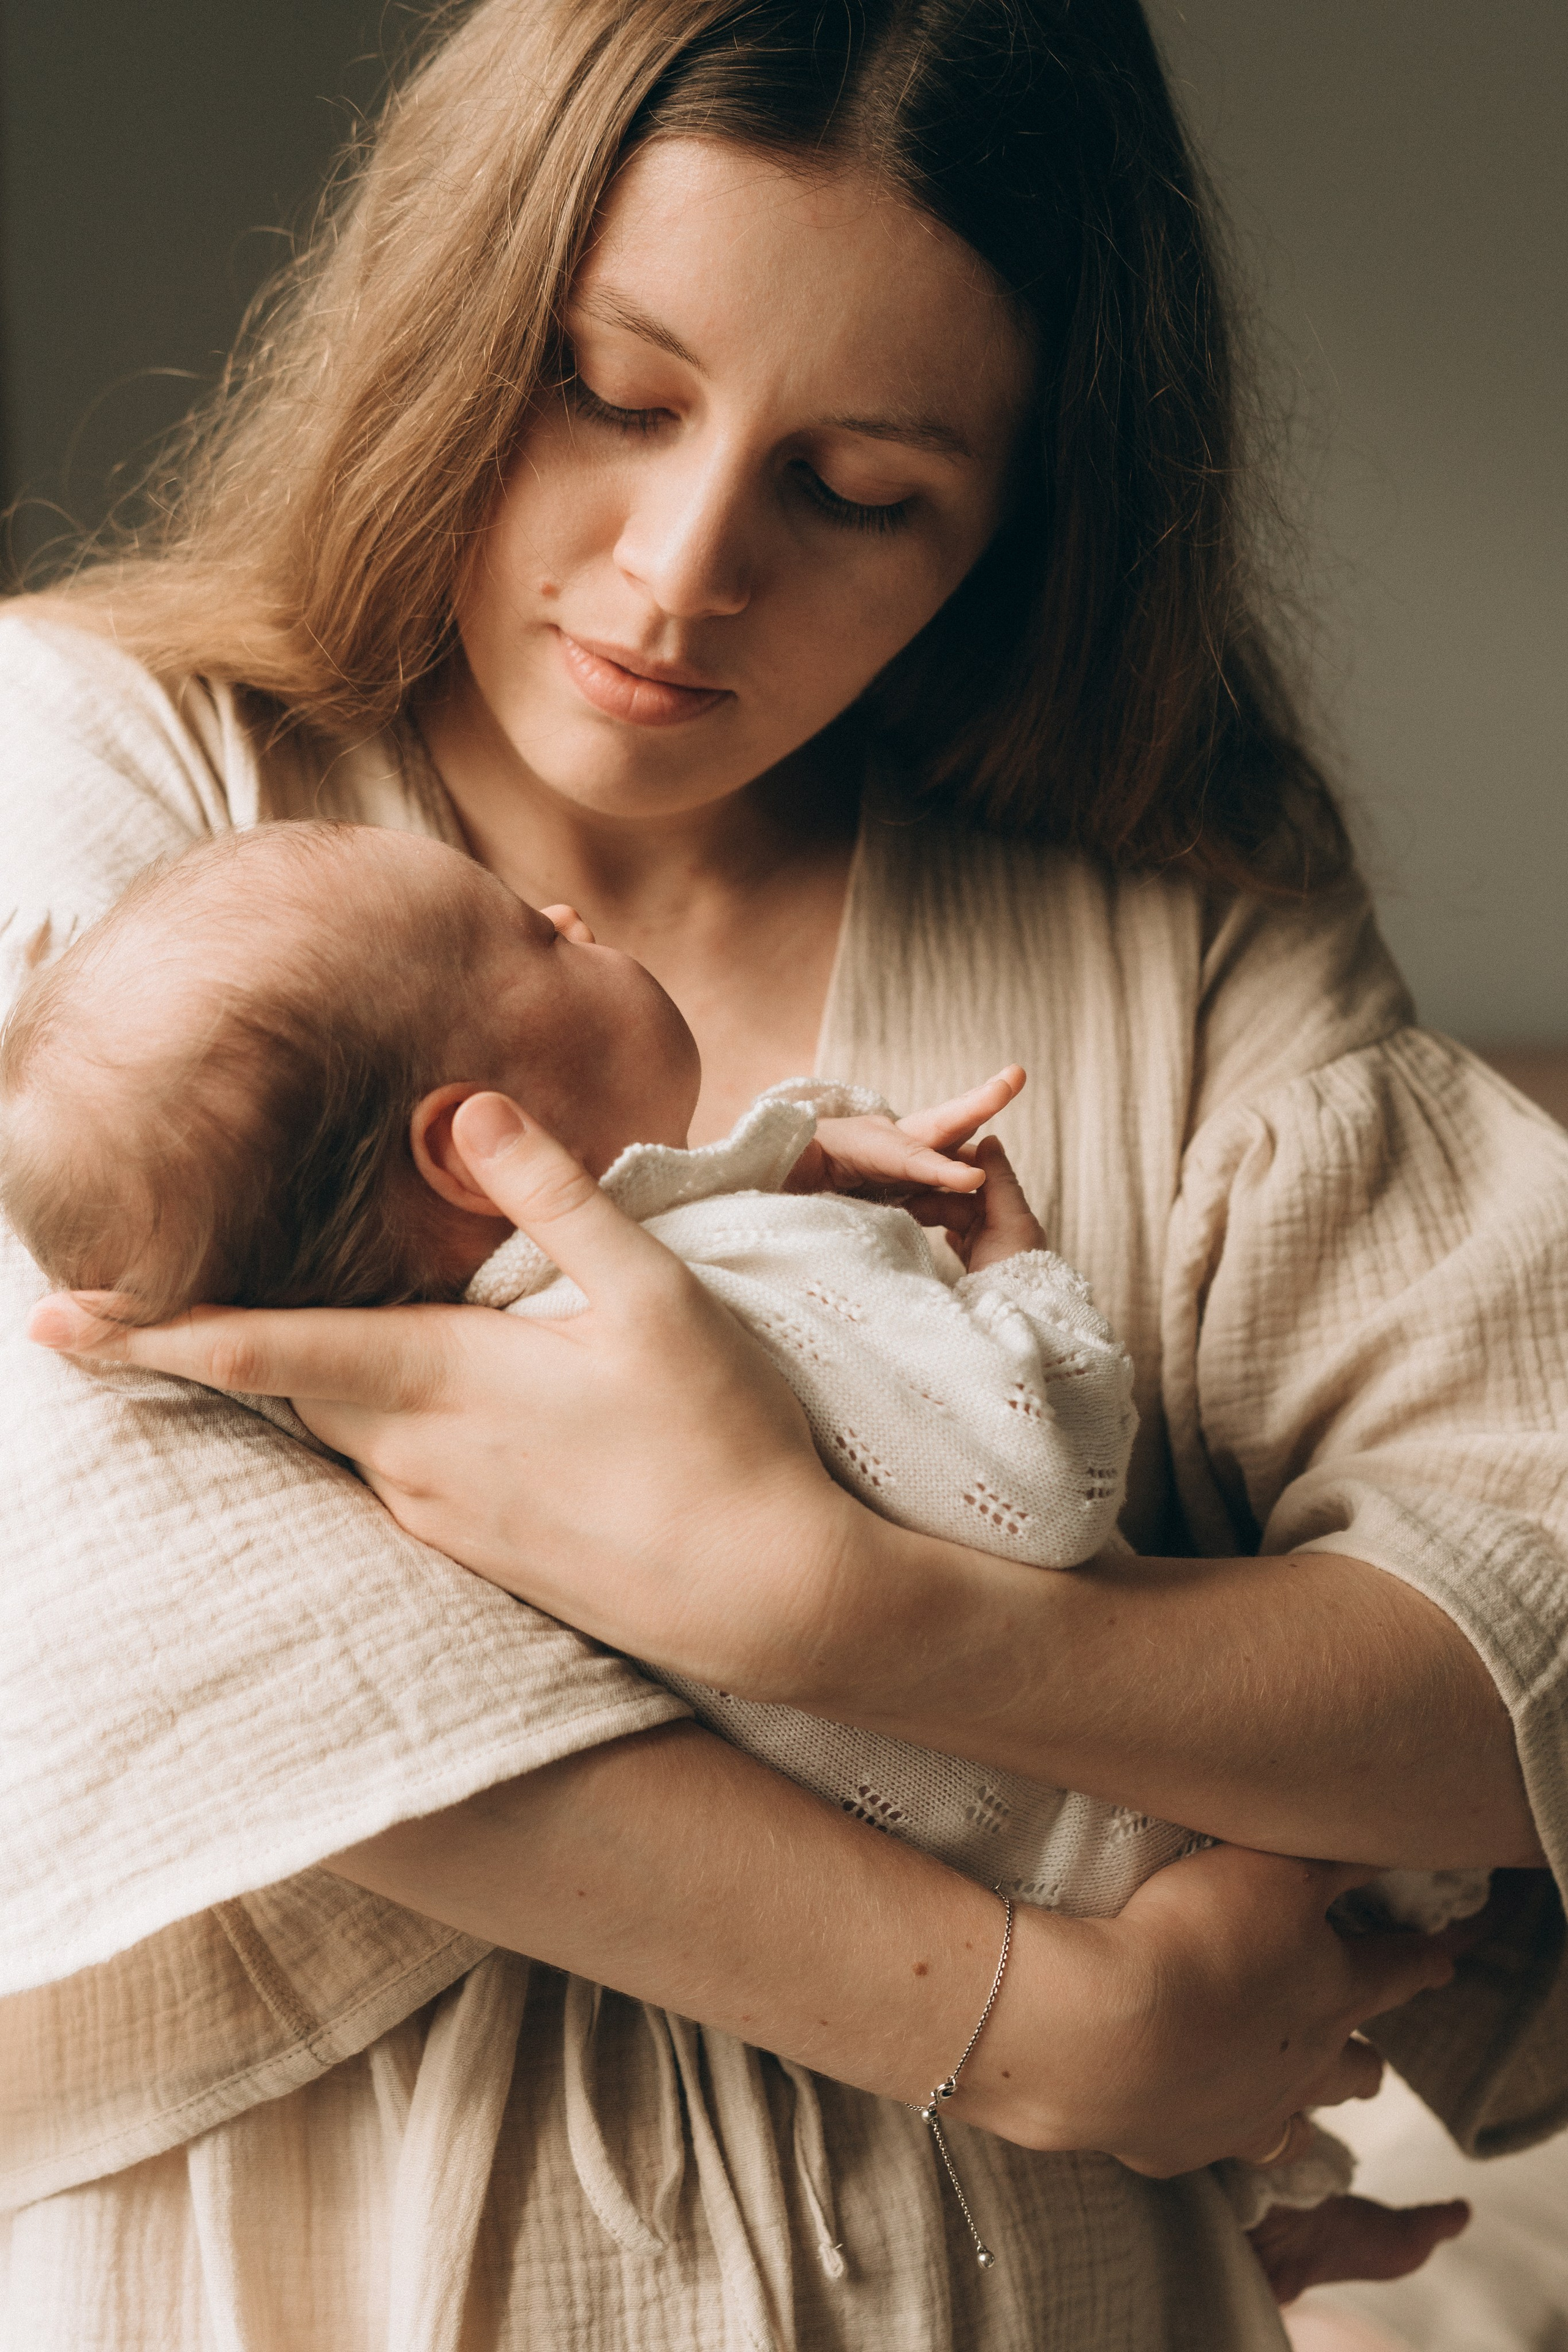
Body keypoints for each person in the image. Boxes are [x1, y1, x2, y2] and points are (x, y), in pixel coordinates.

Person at [2, 1, 1562, 2346]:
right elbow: (140, 1589)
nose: (677, 569)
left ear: (1023, 511)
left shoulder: (1187, 937)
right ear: (451, 324)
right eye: (611, 395)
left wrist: (875, 1621)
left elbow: (1517, 1597)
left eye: (860, 491)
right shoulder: (109, 790)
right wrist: (1047, 2021)